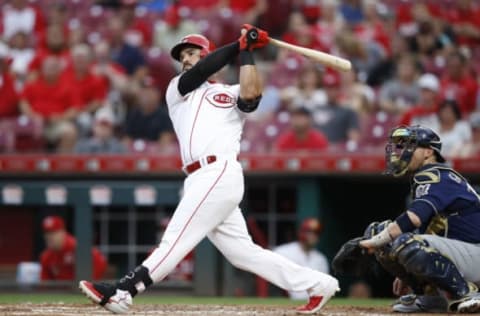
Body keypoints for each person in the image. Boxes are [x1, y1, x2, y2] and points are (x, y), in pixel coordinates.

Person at [79, 26, 339, 315]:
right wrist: (237, 45)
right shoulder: (178, 90)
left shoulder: (230, 92)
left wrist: (247, 53)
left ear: (206, 52)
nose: (186, 59)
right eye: (183, 56)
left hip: (219, 172)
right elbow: (202, 70)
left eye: (192, 53)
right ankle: (318, 284)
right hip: (198, 177)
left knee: (175, 238)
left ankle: (124, 291)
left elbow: (251, 95)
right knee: (244, 254)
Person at [359, 125, 480, 313]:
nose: (401, 152)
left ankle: (468, 293)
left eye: (409, 146)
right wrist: (409, 271)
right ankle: (429, 297)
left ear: (428, 152)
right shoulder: (428, 177)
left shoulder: (436, 175)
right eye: (401, 146)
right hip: (464, 252)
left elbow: (414, 219)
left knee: (396, 239)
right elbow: (426, 232)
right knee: (383, 232)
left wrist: (372, 243)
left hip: (475, 252)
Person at [274, 218, 330, 300]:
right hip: (286, 300)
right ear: (302, 233)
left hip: (311, 301)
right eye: (310, 232)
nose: (314, 236)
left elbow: (324, 286)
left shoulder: (321, 259)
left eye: (317, 233)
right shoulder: (284, 251)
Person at [40, 215, 107, 281]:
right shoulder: (46, 256)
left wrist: (90, 283)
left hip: (80, 289)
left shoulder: (76, 247)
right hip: (62, 291)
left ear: (62, 232)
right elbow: (45, 284)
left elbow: (100, 261)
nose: (49, 237)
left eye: (53, 233)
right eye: (47, 233)